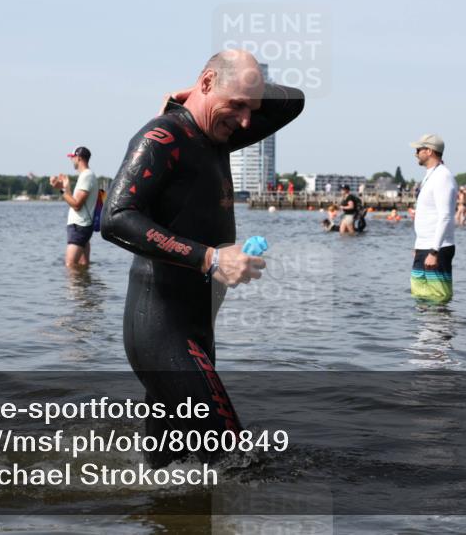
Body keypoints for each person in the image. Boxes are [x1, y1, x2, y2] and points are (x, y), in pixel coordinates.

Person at [101, 49, 304, 467]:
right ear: (208, 83)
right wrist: (211, 258)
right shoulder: (163, 137)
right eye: (237, 105)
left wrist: (223, 94)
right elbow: (116, 218)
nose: (246, 121)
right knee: (236, 462)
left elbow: (295, 102)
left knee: (168, 473)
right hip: (161, 329)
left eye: (251, 109)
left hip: (197, 329)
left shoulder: (218, 134)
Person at [409, 134, 458, 303]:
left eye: (418, 149)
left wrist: (434, 251)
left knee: (437, 299)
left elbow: (445, 216)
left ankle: (440, 323)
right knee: (420, 298)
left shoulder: (442, 177)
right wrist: (418, 245)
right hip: (424, 246)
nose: (415, 153)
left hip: (437, 248)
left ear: (429, 151)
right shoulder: (430, 175)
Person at [56, 147, 99, 268]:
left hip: (79, 226)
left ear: (78, 158)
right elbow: (74, 201)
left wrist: (61, 190)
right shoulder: (86, 176)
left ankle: (75, 282)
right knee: (82, 266)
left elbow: (76, 205)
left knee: (70, 265)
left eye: (72, 157)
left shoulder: (86, 176)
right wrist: (65, 187)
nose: (71, 160)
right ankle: (84, 281)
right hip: (81, 226)